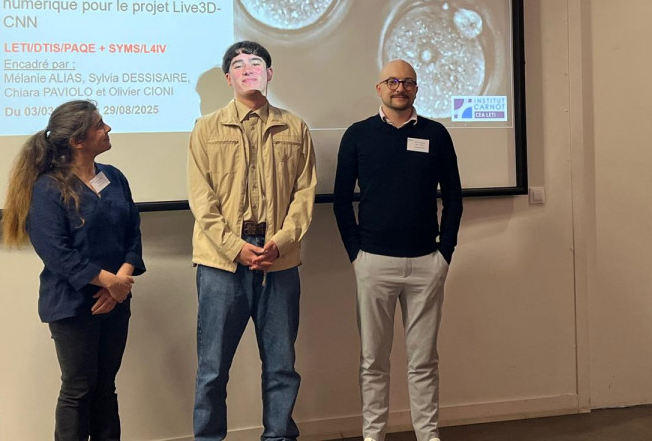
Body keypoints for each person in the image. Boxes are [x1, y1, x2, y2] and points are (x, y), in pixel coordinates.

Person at [188, 40, 317, 441]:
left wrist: (281, 241)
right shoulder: (206, 129)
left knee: (281, 366)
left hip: (279, 260)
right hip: (221, 263)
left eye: (256, 63)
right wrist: (235, 247)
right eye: (239, 65)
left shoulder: (295, 127)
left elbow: (304, 194)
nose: (248, 69)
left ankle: (278, 436)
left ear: (269, 73)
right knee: (212, 368)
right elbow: (202, 200)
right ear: (228, 78)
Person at [333, 60, 463, 441]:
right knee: (373, 361)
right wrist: (356, 255)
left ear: (416, 89)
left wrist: (445, 255)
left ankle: (428, 435)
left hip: (426, 264)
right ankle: (373, 436)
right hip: (373, 264)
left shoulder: (436, 135)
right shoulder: (357, 135)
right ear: (379, 88)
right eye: (392, 81)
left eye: (407, 82)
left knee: (424, 361)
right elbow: (341, 201)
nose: (399, 88)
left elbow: (454, 198)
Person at [2, 100, 145, 441]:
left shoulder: (114, 177)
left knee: (106, 386)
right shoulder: (47, 188)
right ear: (78, 141)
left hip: (116, 300)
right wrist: (109, 282)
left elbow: (133, 234)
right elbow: (57, 253)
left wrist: (119, 283)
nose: (108, 129)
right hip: (72, 305)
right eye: (99, 125)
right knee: (79, 388)